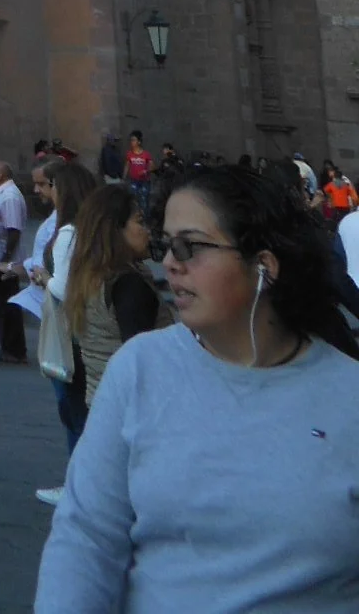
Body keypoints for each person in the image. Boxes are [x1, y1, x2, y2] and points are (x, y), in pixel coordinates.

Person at [35, 166, 359, 611]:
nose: (169, 262)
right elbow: (86, 536)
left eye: (190, 246)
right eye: (166, 245)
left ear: (264, 265)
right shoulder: (140, 368)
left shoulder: (348, 394)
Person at [29, 160, 97, 502]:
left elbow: (64, 286)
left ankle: (79, 486)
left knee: (72, 410)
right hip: (84, 326)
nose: (45, 191)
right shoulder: (90, 228)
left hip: (68, 327)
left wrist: (43, 277)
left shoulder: (69, 231)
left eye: (50, 185)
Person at [64, 184, 162, 408]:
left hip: (101, 401)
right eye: (139, 221)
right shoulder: (128, 284)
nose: (146, 230)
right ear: (115, 230)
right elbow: (142, 358)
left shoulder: (89, 277)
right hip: (131, 409)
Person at [0, 160, 29, 364]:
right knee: (3, 303)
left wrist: (5, 259)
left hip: (5, 258)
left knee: (9, 303)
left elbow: (14, 230)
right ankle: (7, 345)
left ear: (0, 175)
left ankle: (14, 348)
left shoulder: (10, 196)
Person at [123, 132, 152, 218]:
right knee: (134, 201)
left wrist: (146, 171)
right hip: (134, 181)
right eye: (131, 140)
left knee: (144, 202)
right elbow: (127, 166)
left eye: (134, 140)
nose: (131, 142)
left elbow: (152, 167)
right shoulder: (129, 154)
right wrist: (124, 177)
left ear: (139, 142)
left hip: (144, 181)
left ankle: (146, 220)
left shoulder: (146, 154)